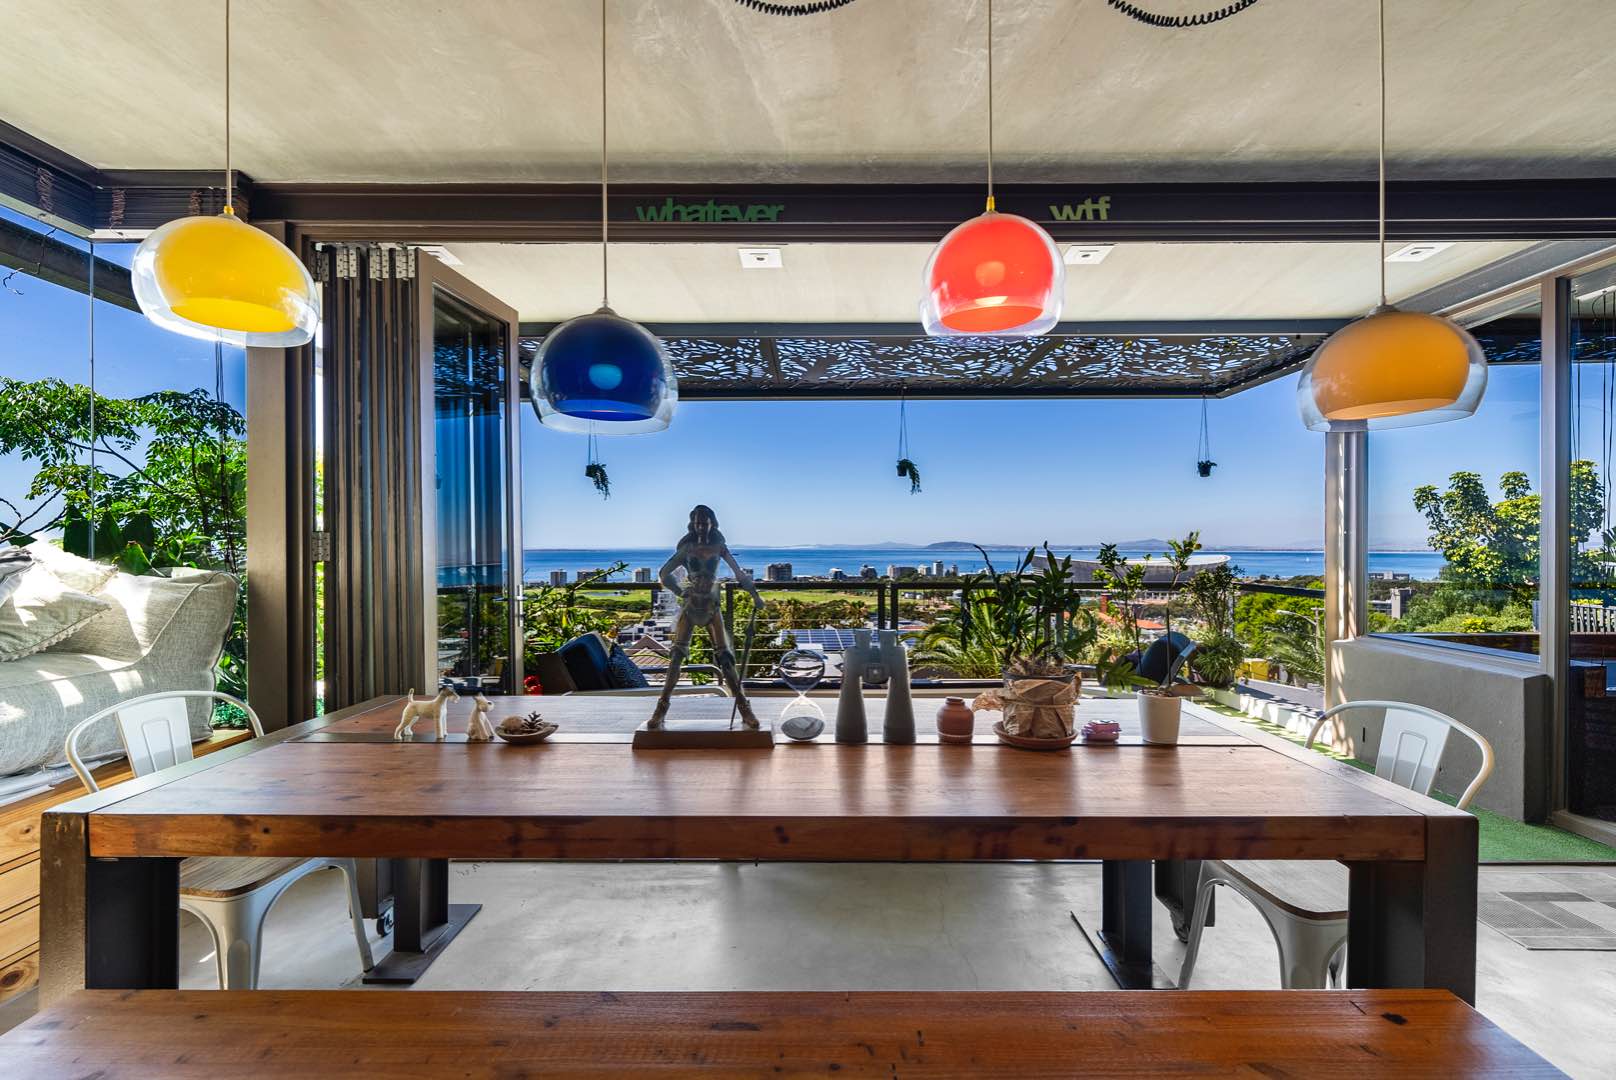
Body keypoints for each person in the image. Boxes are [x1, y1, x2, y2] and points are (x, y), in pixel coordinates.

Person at [649, 505, 766, 728]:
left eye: (705, 522)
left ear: (712, 523)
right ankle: (660, 711)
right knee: (676, 657)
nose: (701, 526)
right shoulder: (687, 549)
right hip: (691, 604)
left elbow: (739, 574)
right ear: (693, 525)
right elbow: (664, 573)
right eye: (698, 523)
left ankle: (745, 711)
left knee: (726, 658)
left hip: (712, 605)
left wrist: (755, 596)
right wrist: (680, 591)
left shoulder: (718, 547)